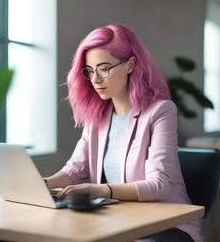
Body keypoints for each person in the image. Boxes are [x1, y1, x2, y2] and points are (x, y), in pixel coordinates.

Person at [44, 24, 204, 242]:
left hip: (168, 226)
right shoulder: (97, 117)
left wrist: (102, 190)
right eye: (90, 71)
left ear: (130, 65)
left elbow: (158, 186)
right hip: (122, 220)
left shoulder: (161, 111)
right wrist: (41, 184)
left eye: (104, 68)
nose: (95, 80)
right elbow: (74, 171)